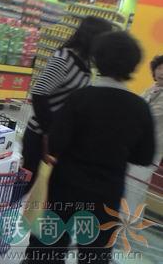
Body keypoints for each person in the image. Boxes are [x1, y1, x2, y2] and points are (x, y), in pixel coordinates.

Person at [24, 31, 155, 264]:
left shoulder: (79, 98)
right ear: (134, 66)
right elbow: (144, 156)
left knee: (48, 249)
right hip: (107, 192)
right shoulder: (139, 108)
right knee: (96, 253)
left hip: (65, 187)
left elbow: (55, 144)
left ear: (96, 59)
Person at [21, 16, 113, 191]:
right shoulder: (65, 58)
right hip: (40, 134)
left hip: (59, 136)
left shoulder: (85, 63)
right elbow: (39, 92)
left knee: (43, 185)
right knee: (27, 182)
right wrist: (50, 130)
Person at [125, 55, 163, 212]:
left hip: (150, 151)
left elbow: (150, 115)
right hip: (135, 147)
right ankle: (129, 222)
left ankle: (127, 223)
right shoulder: (150, 89)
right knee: (133, 188)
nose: (162, 72)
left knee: (134, 189)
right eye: (159, 68)